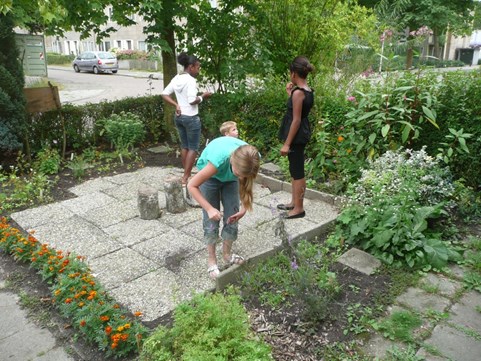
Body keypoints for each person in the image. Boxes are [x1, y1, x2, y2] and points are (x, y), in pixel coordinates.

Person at [187, 137, 260, 279]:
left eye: (243, 176)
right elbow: (191, 185)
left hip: (230, 178)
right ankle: (212, 259)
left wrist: (244, 208)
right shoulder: (218, 161)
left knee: (233, 215)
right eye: (239, 174)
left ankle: (226, 255)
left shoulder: (253, 159)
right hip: (210, 178)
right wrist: (209, 208)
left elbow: (247, 182)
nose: (241, 178)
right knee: (211, 221)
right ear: (232, 162)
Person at [161, 52, 212, 186]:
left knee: (185, 146)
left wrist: (176, 104)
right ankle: (186, 177)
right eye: (198, 67)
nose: (198, 70)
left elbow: (164, 94)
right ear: (190, 67)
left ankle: (186, 174)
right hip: (191, 118)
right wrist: (203, 96)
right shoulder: (190, 80)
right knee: (193, 148)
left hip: (179, 117)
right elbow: (191, 101)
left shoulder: (177, 78)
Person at [277, 56, 314, 219]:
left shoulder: (299, 93)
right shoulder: (306, 90)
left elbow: (296, 119)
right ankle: (294, 202)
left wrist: (287, 143)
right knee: (294, 169)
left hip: (297, 136)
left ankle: (299, 208)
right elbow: (297, 110)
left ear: (293, 74)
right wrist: (289, 93)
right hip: (300, 133)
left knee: (298, 171)